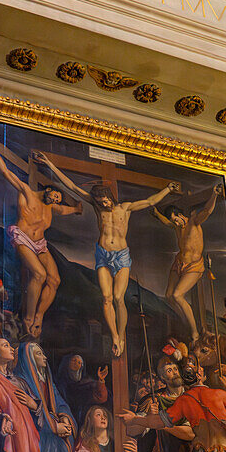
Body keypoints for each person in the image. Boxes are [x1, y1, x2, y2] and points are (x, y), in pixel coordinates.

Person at [33, 149, 179, 356]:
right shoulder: (96, 207)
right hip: (103, 254)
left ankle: (122, 334)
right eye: (100, 201)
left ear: (110, 197)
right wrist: (49, 163)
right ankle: (115, 337)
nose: (103, 204)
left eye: (105, 200)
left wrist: (167, 189)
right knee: (106, 298)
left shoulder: (126, 208)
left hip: (121, 256)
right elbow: (72, 186)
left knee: (119, 298)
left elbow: (149, 202)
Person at [0, 125, 83, 336]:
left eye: (58, 199)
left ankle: (39, 314)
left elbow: (71, 209)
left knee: (55, 280)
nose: (55, 199)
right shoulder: (28, 192)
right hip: (21, 237)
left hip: (40, 243)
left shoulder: (53, 208)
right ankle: (29, 316)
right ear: (48, 189)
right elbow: (5, 171)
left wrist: (78, 208)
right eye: (55, 195)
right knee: (39, 275)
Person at [154, 183, 223, 344]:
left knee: (178, 295)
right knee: (169, 296)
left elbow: (207, 210)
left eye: (176, 219)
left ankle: (195, 333)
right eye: (174, 221)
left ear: (180, 214)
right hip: (179, 263)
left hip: (194, 266)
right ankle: (187, 323)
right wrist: (157, 214)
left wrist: (214, 194)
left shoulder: (194, 222)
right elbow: (167, 223)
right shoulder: (177, 226)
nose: (176, 224)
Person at [56, 354, 109, 427]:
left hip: (82, 419)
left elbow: (101, 398)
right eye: (74, 360)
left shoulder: (87, 383)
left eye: (80, 363)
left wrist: (101, 381)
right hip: (64, 418)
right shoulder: (59, 383)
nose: (77, 364)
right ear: (67, 362)